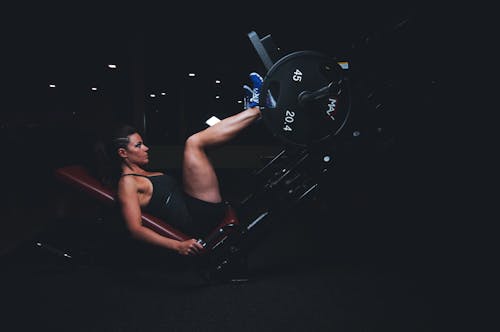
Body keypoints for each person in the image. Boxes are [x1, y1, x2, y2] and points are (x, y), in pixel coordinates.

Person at [95, 73, 267, 257]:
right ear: (123, 153)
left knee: (201, 147)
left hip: (194, 206)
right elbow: (135, 229)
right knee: (194, 143)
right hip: (197, 218)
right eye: (138, 145)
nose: (146, 148)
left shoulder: (142, 174)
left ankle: (253, 112)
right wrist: (178, 246)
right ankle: (259, 108)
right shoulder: (127, 183)